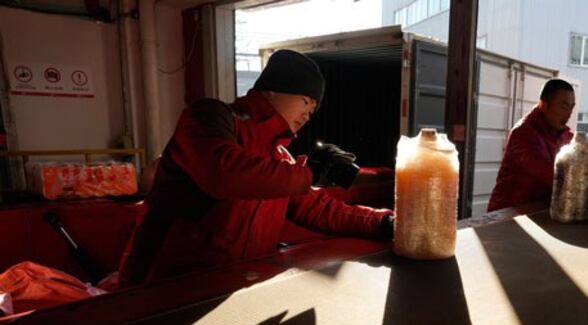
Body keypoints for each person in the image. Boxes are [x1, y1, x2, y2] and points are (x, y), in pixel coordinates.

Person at [119, 49, 393, 287]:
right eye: (307, 100)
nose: (311, 112)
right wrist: (311, 173)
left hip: (230, 286)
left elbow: (320, 209)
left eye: (315, 107)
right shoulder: (210, 116)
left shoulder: (280, 159)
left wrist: (384, 223)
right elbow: (223, 172)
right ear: (273, 88)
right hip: (164, 286)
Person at [487, 79, 575, 212]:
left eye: (571, 107)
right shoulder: (523, 134)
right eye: (563, 107)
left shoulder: (563, 134)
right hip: (507, 213)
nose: (568, 114)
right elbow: (549, 174)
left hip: (535, 212)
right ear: (544, 105)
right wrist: (585, 184)